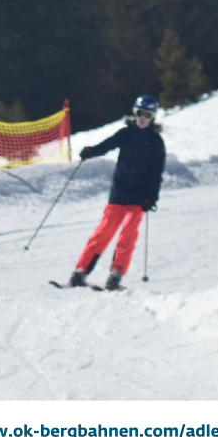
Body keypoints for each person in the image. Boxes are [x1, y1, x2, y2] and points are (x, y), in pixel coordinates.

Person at [68, 95, 166, 290]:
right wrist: (91, 151)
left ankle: (116, 275)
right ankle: (80, 272)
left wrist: (152, 196)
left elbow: (156, 172)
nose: (143, 118)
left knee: (127, 235)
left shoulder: (155, 142)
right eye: (140, 113)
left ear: (153, 117)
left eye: (147, 115)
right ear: (135, 113)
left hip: (140, 196)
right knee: (103, 232)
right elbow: (107, 146)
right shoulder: (125, 133)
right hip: (119, 191)